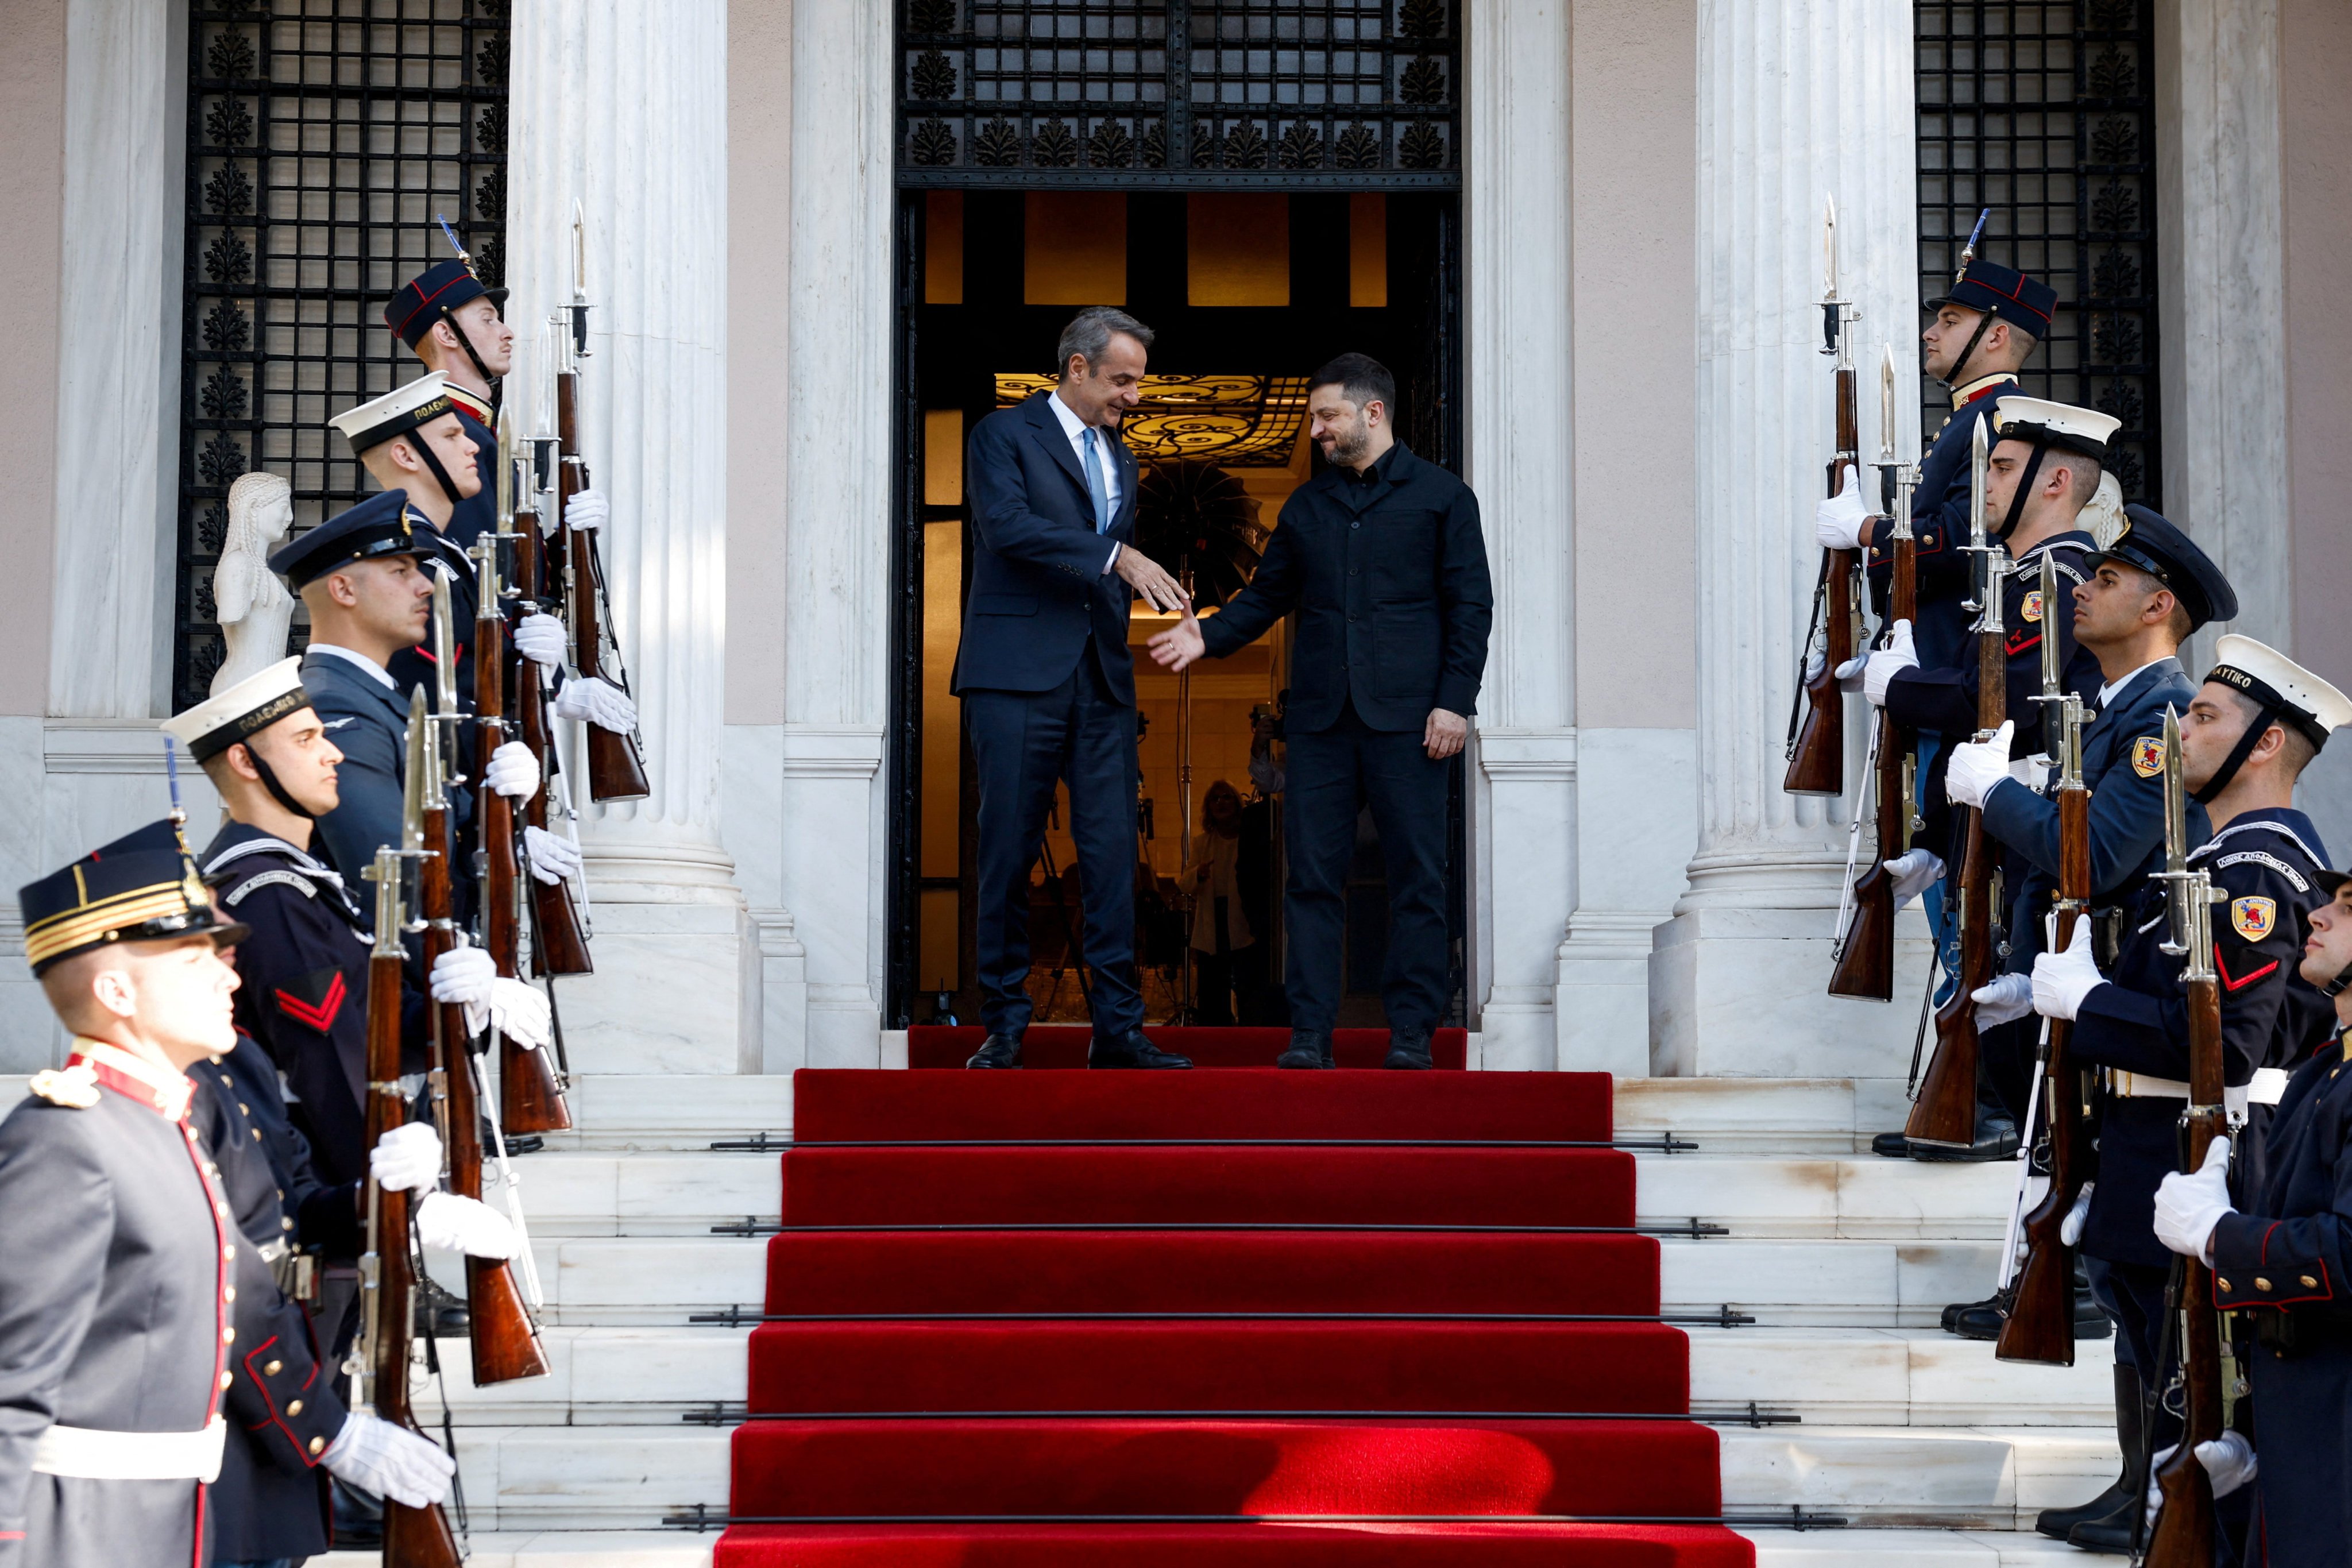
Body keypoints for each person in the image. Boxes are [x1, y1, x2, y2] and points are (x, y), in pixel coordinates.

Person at [0, 822, 455, 1566]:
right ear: (116, 989)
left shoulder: (163, 1127)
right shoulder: (66, 1143)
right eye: (194, 956)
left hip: (175, 1524)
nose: (230, 976)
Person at [2024, 638, 2345, 1552]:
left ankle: (2172, 1522)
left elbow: (2229, 1049)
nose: (2182, 730)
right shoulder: (2219, 860)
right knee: (2153, 1359)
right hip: (2150, 1145)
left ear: (2267, 745)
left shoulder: (2255, 873)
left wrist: (2092, 1003)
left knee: (2184, 1386)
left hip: (2192, 1147)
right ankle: (2144, 1499)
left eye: (2205, 716)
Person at [1150, 353, 1493, 1070]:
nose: (1315, 430)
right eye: (1314, 417)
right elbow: (1268, 595)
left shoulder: (1443, 498)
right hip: (1321, 726)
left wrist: (1454, 703)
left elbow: (1471, 609)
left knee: (1418, 880)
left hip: (1412, 724)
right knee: (1308, 879)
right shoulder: (1307, 507)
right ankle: (1310, 1033)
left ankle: (1410, 1034)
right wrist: (1207, 633)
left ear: (1373, 414)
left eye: (1327, 416)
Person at [163, 658, 548, 1192]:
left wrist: (466, 1002)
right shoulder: (267, 893)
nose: (333, 752)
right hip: (317, 1181)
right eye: (305, 740)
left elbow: (369, 1025)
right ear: (245, 762)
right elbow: (327, 1067)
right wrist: (389, 1199)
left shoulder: (298, 878)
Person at [1856, 396, 2115, 1162]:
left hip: (2027, 827)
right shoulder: (2022, 575)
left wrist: (1899, 687)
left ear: (2054, 480)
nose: (1986, 482)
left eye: (2002, 467)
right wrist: (1934, 840)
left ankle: (2008, 1135)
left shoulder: (2055, 576)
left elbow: (1996, 702)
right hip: (2001, 823)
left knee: (2022, 1034)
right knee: (1998, 1009)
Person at [955, 306, 1195, 1070]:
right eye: (1122, 380)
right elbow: (1007, 528)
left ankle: (1118, 1028)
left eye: (1138, 382)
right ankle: (1003, 1024)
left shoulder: (1120, 458)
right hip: (1015, 673)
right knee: (1007, 849)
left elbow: (1099, 559)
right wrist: (1116, 555)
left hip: (1100, 678)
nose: (1133, 395)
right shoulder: (1001, 435)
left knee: (1111, 854)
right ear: (1078, 367)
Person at [2153, 862, 2352, 1566]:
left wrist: (2221, 1236)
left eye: (2347, 908)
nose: (2318, 916)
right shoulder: (2327, 1069)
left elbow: (2349, 1256)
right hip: (2295, 1421)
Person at [268, 490, 561, 893]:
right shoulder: (333, 705)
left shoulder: (374, 692)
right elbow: (393, 880)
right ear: (344, 591)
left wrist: (498, 812)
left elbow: (434, 828)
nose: (425, 585)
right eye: (401, 571)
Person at [1187, 779, 1254, 1026]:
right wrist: (1199, 874)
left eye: (1226, 797)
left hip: (1243, 916)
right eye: (1215, 799)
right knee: (1213, 984)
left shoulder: (1248, 840)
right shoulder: (1202, 843)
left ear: (1237, 804)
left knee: (1247, 982)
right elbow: (1185, 883)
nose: (1220, 803)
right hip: (1213, 917)